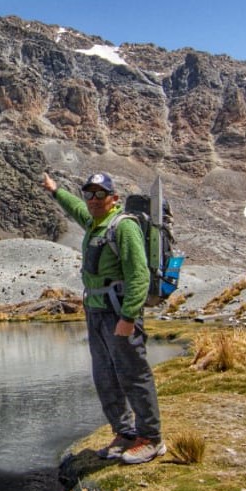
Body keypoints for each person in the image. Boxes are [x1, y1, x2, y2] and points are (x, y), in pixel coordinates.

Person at [42, 170, 166, 464]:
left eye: (100, 194)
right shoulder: (94, 224)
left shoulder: (123, 228)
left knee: (133, 374)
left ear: (114, 198)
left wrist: (128, 317)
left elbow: (138, 274)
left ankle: (151, 438)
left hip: (118, 312)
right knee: (105, 376)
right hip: (96, 312)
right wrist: (56, 190)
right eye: (89, 194)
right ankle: (124, 433)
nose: (93, 200)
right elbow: (75, 209)